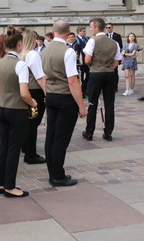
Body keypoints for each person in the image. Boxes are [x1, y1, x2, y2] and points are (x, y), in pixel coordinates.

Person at [41, 20, 87, 187]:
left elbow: (43, 77)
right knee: (61, 138)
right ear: (68, 33)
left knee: (51, 136)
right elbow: (73, 81)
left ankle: (52, 172)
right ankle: (58, 175)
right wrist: (81, 106)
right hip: (65, 97)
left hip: (51, 95)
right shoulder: (67, 52)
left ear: (53, 32)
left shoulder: (44, 51)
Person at [0, 26, 37, 197]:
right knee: (14, 149)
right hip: (16, 110)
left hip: (3, 107)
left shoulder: (0, 63)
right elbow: (24, 93)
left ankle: (1, 183)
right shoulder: (20, 64)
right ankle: (10, 186)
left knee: (4, 147)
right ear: (20, 44)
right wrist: (33, 102)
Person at [81, 18, 122, 142]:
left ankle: (89, 132)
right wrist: (108, 67)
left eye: (91, 27)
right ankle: (108, 132)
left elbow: (87, 60)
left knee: (92, 103)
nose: (90, 29)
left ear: (97, 27)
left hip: (96, 73)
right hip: (110, 74)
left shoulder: (92, 41)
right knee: (109, 103)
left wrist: (95, 65)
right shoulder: (113, 42)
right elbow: (117, 61)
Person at [20, 30, 47, 165]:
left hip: (23, 89)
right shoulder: (32, 54)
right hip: (34, 90)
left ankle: (26, 148)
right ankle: (31, 154)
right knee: (33, 123)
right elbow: (40, 76)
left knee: (27, 122)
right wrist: (47, 93)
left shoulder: (20, 54)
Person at [105, 23, 123, 92]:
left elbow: (120, 46)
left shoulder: (117, 36)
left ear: (112, 27)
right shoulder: (105, 36)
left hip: (114, 56)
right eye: (106, 28)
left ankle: (115, 86)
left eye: (109, 27)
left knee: (115, 72)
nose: (108, 29)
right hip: (107, 57)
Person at [75, 26, 89, 98]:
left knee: (88, 76)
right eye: (83, 31)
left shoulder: (87, 39)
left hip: (87, 61)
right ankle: (82, 91)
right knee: (81, 77)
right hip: (80, 62)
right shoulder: (76, 40)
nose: (84, 32)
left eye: (85, 31)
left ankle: (86, 89)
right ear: (79, 32)